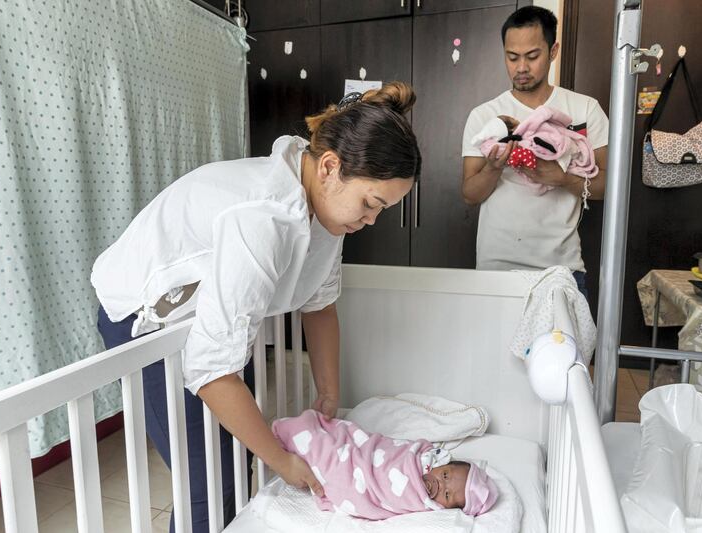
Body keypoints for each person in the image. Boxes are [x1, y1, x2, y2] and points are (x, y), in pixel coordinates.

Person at [91, 81, 421, 532]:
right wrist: (282, 461)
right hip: (145, 317)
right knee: (208, 484)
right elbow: (212, 371)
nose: (370, 220)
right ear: (330, 166)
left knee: (236, 456)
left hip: (203, 316)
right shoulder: (262, 218)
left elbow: (320, 306)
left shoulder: (325, 208)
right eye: (370, 204)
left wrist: (328, 394)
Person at [461, 6, 609, 298]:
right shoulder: (486, 117)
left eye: (532, 56)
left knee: (564, 345)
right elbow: (469, 193)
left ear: (553, 51)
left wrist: (561, 178)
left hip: (561, 269)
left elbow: (608, 187)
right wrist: (493, 168)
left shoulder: (584, 109)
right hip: (497, 268)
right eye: (512, 57)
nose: (521, 68)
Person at [271, 409, 499, 519]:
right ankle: (301, 434)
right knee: (339, 441)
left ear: (443, 508)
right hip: (363, 454)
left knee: (333, 467)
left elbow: (382, 497)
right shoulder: (421, 458)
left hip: (359, 482)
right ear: (444, 464)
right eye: (446, 475)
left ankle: (301, 441)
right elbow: (390, 449)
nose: (440, 483)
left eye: (447, 495)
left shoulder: (421, 503)